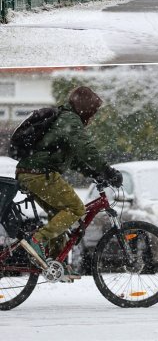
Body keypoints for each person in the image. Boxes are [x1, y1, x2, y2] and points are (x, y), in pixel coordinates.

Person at [15, 86, 123, 280]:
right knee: (75, 209)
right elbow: (86, 150)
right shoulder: (70, 120)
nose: (93, 116)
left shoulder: (65, 119)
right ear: (85, 108)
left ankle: (56, 263)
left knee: (59, 216)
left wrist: (94, 173)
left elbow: (73, 159)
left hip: (31, 173)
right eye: (93, 111)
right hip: (39, 174)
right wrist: (107, 171)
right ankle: (36, 241)